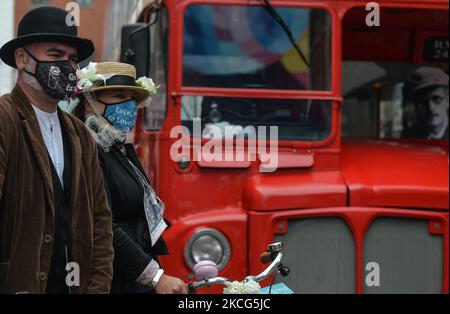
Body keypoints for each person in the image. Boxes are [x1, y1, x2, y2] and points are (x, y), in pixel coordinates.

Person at [0, 6, 114, 294]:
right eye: (55, 55)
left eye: (72, 59)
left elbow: (101, 221)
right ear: (22, 59)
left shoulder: (80, 134)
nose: (67, 66)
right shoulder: (5, 119)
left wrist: (97, 288)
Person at [72, 61, 188, 294]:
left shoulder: (117, 148)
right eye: (118, 95)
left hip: (134, 277)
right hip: (114, 280)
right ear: (89, 102)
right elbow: (103, 224)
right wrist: (155, 276)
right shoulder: (88, 149)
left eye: (131, 98)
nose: (128, 105)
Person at [402, 67, 449, 140]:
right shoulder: (408, 136)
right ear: (415, 106)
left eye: (436, 99)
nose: (430, 107)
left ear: (448, 101)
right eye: (422, 101)